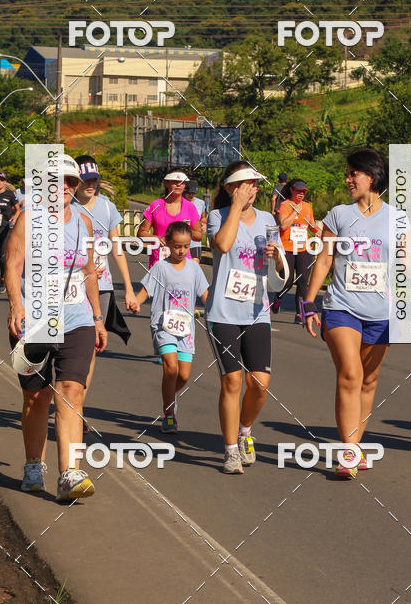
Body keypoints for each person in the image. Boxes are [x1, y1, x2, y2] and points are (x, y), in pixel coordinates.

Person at [304, 148, 411, 478]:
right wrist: (308, 302)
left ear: (372, 177)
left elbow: (407, 257)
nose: (348, 179)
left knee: (368, 379)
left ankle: (355, 445)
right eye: (347, 173)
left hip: (381, 311)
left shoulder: (397, 218)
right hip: (341, 307)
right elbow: (324, 260)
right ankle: (348, 452)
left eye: (353, 173)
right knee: (350, 374)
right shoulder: (338, 215)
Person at [5, 153, 108, 502]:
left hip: (77, 317)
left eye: (70, 182)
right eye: (57, 181)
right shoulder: (29, 219)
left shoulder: (84, 221)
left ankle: (69, 474)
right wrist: (16, 304)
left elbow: (89, 271)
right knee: (37, 397)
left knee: (70, 390)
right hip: (36, 318)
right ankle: (34, 464)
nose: (64, 187)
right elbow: (13, 264)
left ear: (76, 187)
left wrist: (97, 317)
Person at [205, 161, 286, 474]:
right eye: (245, 184)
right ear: (230, 187)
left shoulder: (267, 219)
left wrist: (277, 256)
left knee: (261, 384)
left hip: (256, 310)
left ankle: (245, 432)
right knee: (232, 381)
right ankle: (229, 451)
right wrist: (235, 208)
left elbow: (278, 268)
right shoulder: (217, 216)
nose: (252, 189)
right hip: (223, 311)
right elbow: (222, 245)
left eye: (255, 184)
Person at [131, 221, 208, 432]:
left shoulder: (194, 268)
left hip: (185, 330)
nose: (181, 251)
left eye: (185, 246)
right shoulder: (160, 267)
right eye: (176, 246)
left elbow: (205, 294)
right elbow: (146, 289)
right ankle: (169, 414)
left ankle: (170, 395)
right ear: (166, 243)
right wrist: (137, 300)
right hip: (163, 326)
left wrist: (218, 309)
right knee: (171, 368)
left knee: (183, 375)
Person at [73, 155, 137, 401]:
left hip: (103, 286)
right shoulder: (67, 206)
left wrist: (129, 288)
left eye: (94, 180)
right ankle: (67, 397)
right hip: (74, 285)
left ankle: (77, 407)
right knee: (74, 346)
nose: (91, 184)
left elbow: (117, 247)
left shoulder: (107, 206)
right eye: (85, 180)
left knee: (89, 348)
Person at [272, 179, 320, 323]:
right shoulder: (285, 205)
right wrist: (294, 212)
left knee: (303, 280)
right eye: (298, 191)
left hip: (303, 248)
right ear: (292, 190)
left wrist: (319, 231)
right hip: (287, 248)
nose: (300, 194)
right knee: (287, 281)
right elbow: (283, 224)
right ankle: (278, 297)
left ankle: (300, 313)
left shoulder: (308, 206)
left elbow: (311, 224)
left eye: (303, 192)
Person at [137, 170, 203, 267]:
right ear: (166, 183)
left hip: (183, 263)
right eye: (174, 182)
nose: (178, 185)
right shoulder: (155, 205)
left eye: (182, 182)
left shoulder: (190, 207)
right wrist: (156, 238)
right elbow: (141, 233)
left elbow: (199, 235)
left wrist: (184, 232)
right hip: (159, 261)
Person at [183, 179, 207, 262]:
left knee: (195, 265)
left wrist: (203, 224)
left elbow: (203, 217)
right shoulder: (179, 202)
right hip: (181, 241)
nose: (191, 195)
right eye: (189, 193)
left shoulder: (201, 203)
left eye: (193, 193)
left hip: (195, 241)